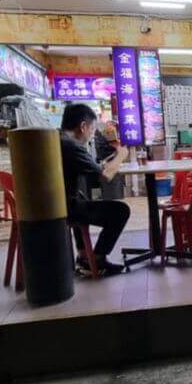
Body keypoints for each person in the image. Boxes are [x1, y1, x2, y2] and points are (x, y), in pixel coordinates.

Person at [60, 103, 130, 276]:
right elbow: (105, 176)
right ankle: (97, 259)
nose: (91, 134)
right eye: (91, 129)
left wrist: (105, 164)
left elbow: (95, 169)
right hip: (64, 209)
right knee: (120, 211)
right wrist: (121, 155)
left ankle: (85, 256)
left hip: (54, 203)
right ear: (83, 126)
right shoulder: (72, 146)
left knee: (80, 196)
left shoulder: (58, 139)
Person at [93, 119, 126, 200]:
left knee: (110, 195)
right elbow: (117, 147)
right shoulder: (109, 131)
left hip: (105, 163)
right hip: (111, 164)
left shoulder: (99, 133)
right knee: (114, 196)